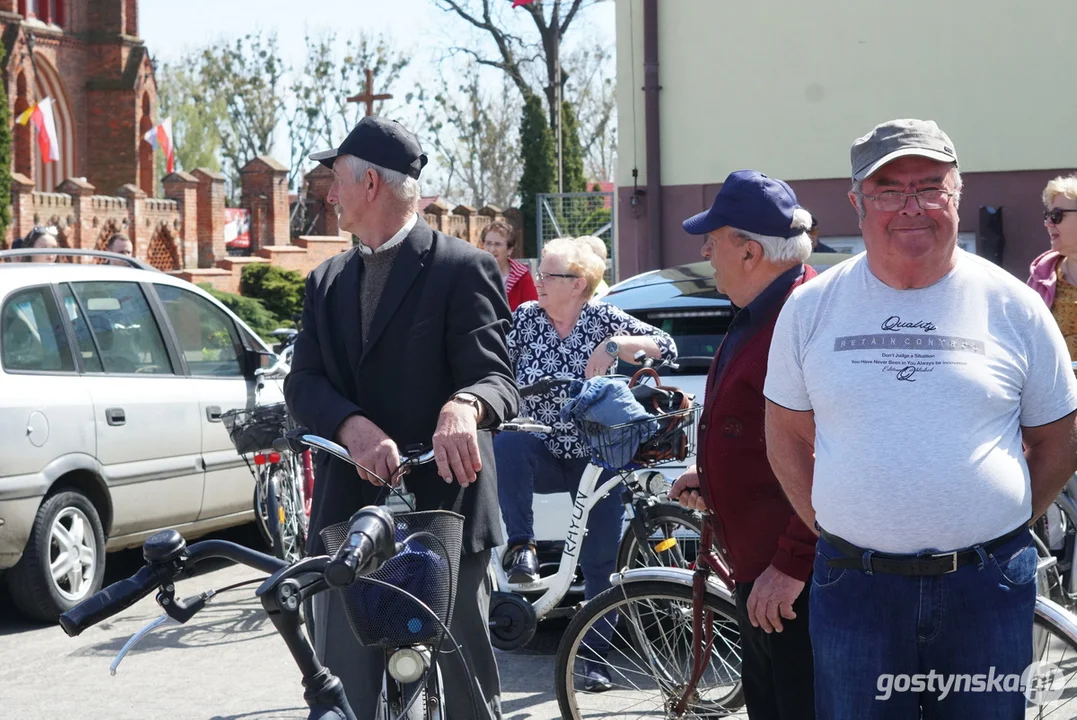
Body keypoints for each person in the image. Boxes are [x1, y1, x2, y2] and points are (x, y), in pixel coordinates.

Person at [764, 118, 1077, 718]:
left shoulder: (1015, 306)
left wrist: (996, 524)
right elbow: (786, 438)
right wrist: (836, 524)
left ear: (956, 194)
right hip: (855, 588)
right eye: (889, 190)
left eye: (930, 187)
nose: (912, 207)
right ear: (857, 202)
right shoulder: (810, 309)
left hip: (986, 589)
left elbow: (1057, 444)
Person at [284, 115, 519, 720]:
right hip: (347, 516)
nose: (329, 195)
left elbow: (499, 379)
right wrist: (350, 426)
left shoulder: (462, 268)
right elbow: (302, 381)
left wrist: (464, 406)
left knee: (468, 696)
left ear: (371, 185)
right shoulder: (326, 280)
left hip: (445, 509)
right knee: (346, 694)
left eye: (336, 180)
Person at [494, 236, 676, 692]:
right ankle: (523, 548)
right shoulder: (526, 320)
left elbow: (665, 347)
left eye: (548, 275)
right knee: (508, 443)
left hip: (597, 457)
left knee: (600, 564)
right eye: (539, 273)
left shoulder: (601, 318)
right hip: (541, 449)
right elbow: (492, 366)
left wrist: (615, 345)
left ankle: (595, 659)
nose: (537, 281)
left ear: (577, 284)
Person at [669, 170, 818, 719]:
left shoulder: (801, 317)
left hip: (792, 584)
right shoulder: (761, 309)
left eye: (714, 239)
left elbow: (827, 456)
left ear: (751, 252)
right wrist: (713, 479)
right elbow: (759, 435)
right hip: (764, 574)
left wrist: (792, 564)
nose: (706, 251)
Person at [1028, 174, 1077, 358]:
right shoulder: (1040, 279)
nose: (1048, 223)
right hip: (1061, 386)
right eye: (1047, 216)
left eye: (1056, 216)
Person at [479, 220, 537, 310]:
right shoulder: (474, 273)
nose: (491, 249)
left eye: (497, 244)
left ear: (509, 250)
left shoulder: (522, 277)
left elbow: (532, 310)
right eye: (488, 243)